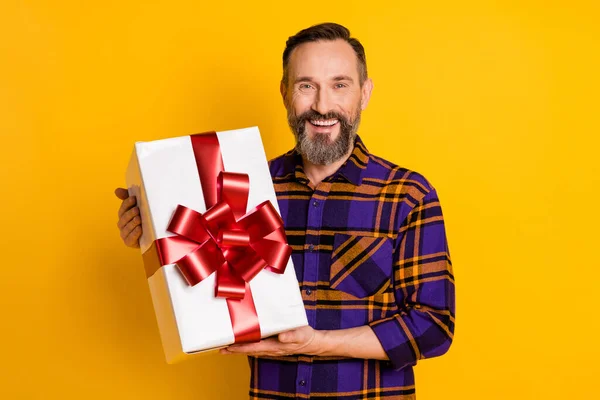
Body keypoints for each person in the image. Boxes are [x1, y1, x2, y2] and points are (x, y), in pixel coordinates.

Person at [115, 22, 455, 400]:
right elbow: (200, 274)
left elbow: (433, 326)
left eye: (339, 85)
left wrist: (316, 343)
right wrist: (150, 234)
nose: (323, 106)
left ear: (365, 93)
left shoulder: (408, 195)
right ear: (284, 93)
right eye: (306, 86)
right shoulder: (246, 187)